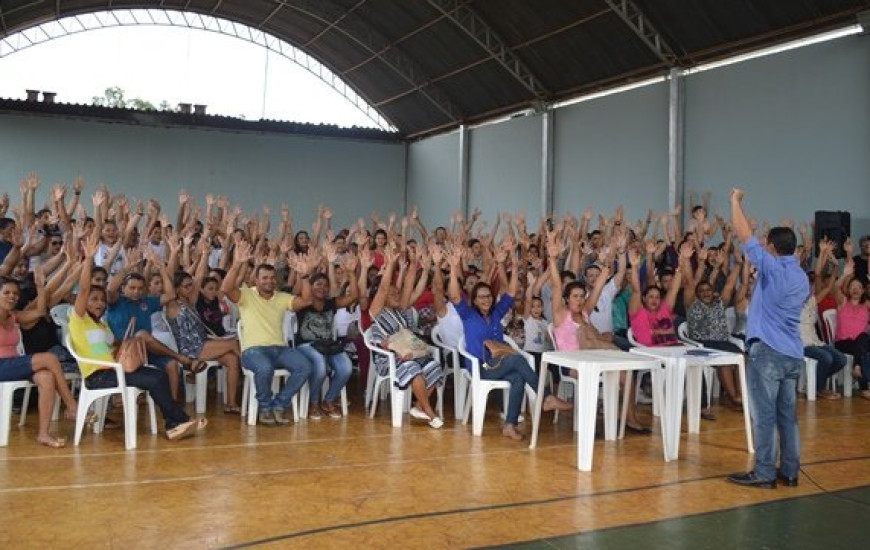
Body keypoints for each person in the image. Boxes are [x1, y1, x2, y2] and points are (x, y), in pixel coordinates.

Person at [70, 233, 205, 440]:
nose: (99, 303)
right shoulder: (79, 320)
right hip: (98, 375)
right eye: (93, 300)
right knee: (155, 377)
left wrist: (133, 345)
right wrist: (89, 259)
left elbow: (117, 346)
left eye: (100, 300)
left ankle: (174, 423)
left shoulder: (102, 325)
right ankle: (176, 422)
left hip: (117, 367)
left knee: (158, 375)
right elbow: (85, 289)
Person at [726, 188, 808, 489]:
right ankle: (789, 471)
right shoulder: (800, 276)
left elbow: (744, 234)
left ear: (771, 247)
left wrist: (735, 202)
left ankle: (763, 473)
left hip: (768, 353)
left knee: (764, 416)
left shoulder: (772, 268)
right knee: (788, 416)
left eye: (766, 244)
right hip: (793, 354)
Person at [447, 241, 571, 440]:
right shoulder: (468, 315)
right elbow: (454, 295)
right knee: (517, 360)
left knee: (518, 378)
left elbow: (511, 293)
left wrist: (513, 266)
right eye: (481, 297)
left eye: (488, 296)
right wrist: (453, 268)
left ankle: (509, 425)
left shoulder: (496, 314)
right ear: (475, 300)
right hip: (481, 367)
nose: (486, 300)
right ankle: (546, 396)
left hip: (499, 363)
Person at [221, 242, 314, 426]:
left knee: (305, 366)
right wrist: (237, 263)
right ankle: (264, 408)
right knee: (265, 369)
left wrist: (304, 276)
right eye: (264, 278)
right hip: (253, 351)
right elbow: (225, 289)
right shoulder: (247, 295)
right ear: (256, 280)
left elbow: (307, 300)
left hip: (279, 349)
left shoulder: (281, 298)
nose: (269, 281)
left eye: (272, 278)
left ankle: (279, 404)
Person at [0, 272, 79, 448]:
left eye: (15, 294)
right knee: (50, 358)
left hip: (13, 364)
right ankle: (71, 405)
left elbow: (40, 312)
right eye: (7, 293)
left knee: (46, 377)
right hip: (2, 366)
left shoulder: (14, 316)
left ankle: (44, 433)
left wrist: (41, 287)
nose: (12, 296)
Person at [368, 246, 443, 429]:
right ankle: (430, 412)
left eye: (397, 293)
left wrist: (422, 268)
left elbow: (412, 288)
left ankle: (419, 406)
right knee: (413, 368)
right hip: (389, 359)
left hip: (410, 353)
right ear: (382, 296)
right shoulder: (376, 312)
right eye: (392, 294)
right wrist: (391, 263)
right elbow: (384, 287)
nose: (397, 295)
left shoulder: (400, 310)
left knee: (435, 367)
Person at [294, 252, 359, 419]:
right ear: (311, 285)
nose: (322, 288)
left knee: (346, 367)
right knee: (320, 365)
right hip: (306, 345)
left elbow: (353, 296)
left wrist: (351, 273)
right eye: (318, 284)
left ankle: (328, 400)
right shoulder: (304, 302)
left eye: (325, 285)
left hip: (329, 345)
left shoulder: (332, 303)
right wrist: (305, 273)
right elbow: (303, 289)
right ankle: (313, 402)